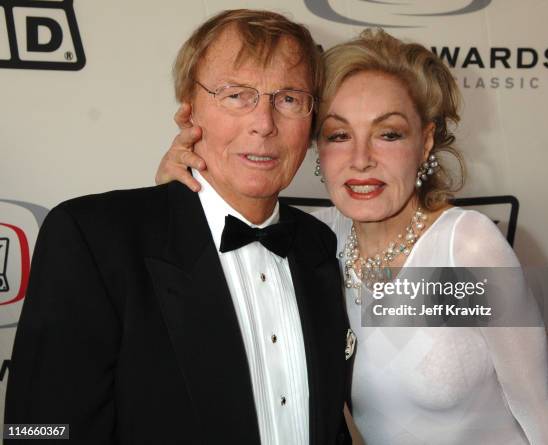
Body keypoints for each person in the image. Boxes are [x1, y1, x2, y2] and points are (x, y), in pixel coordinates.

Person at [156, 28, 548, 444]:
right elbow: (227, 218)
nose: (361, 160)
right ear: (317, 146)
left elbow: (540, 411)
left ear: (425, 142)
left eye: (388, 134)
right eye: (339, 135)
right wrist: (180, 176)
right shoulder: (319, 241)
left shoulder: (466, 247)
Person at [5, 10, 353, 445]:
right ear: (189, 109)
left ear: (312, 117)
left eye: (288, 99)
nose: (264, 124)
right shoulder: (93, 239)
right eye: (236, 95)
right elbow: (37, 433)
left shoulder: (321, 246)